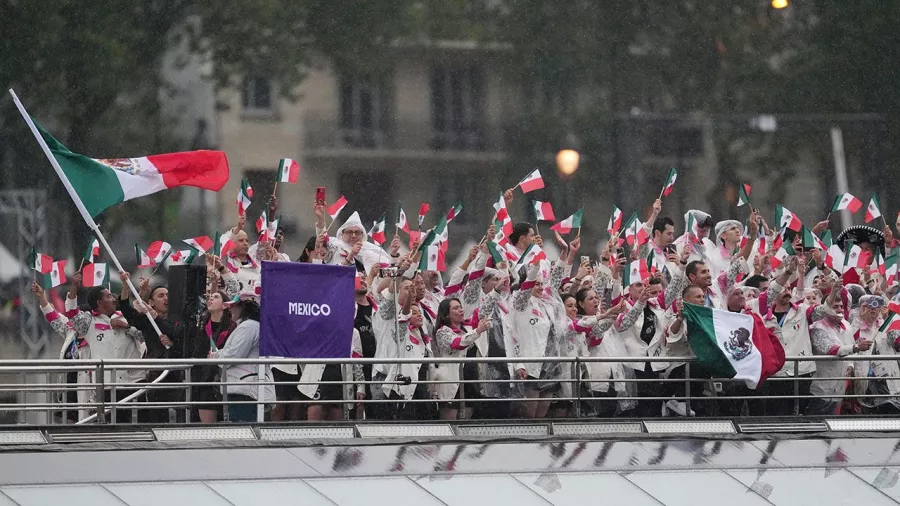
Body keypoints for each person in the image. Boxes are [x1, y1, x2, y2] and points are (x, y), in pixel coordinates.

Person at [36, 276, 148, 423]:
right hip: (95, 384)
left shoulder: (125, 318)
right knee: (99, 422)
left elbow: (145, 333)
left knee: (135, 423)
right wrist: (72, 287)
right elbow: (59, 317)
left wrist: (126, 326)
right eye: (109, 297)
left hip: (132, 381)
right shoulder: (80, 328)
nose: (113, 300)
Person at [807, 281, 871, 416]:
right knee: (818, 423)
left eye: (841, 307)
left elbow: (850, 347)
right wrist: (856, 347)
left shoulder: (846, 325)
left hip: (842, 386)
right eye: (835, 307)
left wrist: (852, 365)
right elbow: (832, 350)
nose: (840, 310)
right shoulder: (817, 327)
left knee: (835, 426)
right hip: (823, 388)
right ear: (826, 308)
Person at [209, 291, 274, 422]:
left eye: (234, 306)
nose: (230, 309)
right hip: (246, 388)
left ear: (243, 307)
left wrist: (216, 356)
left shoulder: (248, 327)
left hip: (246, 389)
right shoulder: (251, 326)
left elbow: (233, 356)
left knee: (243, 430)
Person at [433, 297, 492, 420]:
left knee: (466, 420)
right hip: (451, 380)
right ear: (446, 315)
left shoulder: (468, 327)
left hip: (469, 380)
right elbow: (456, 344)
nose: (461, 310)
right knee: (449, 419)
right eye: (455, 308)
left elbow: (482, 310)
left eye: (460, 307)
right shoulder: (442, 331)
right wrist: (477, 331)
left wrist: (496, 291)